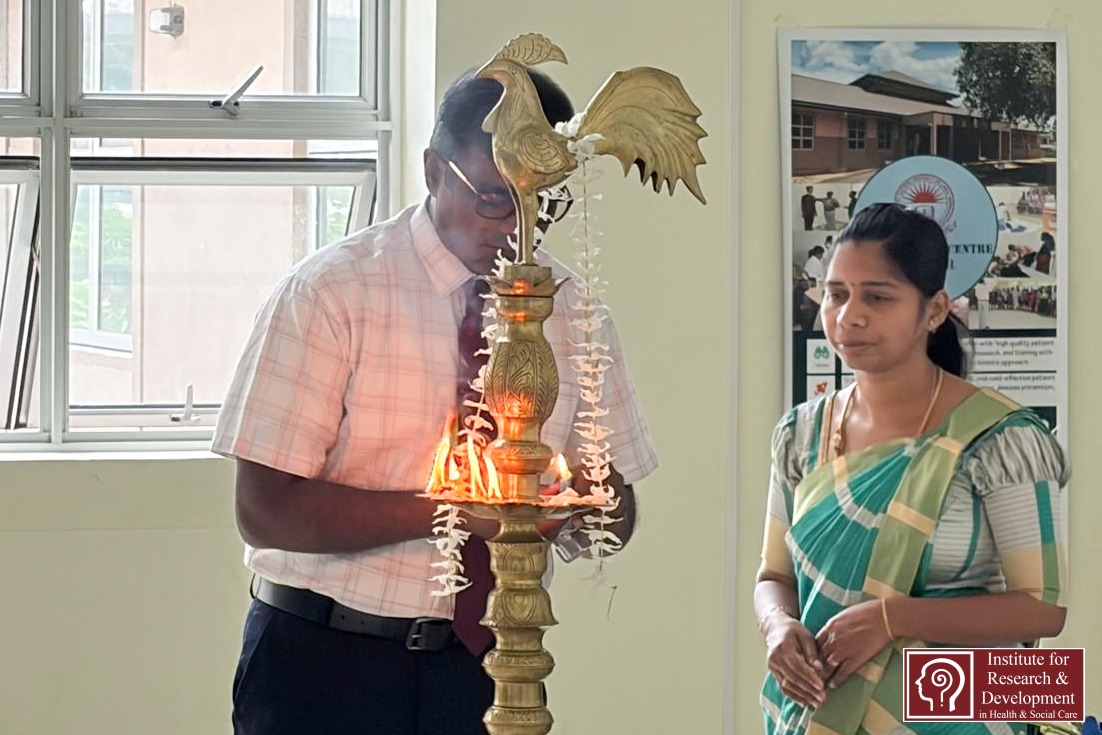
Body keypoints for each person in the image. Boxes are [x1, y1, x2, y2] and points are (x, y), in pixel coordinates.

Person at [213, 67, 658, 735]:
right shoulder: (334, 293)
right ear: (432, 171)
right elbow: (264, 510)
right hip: (326, 656)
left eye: (544, 203)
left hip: (486, 665)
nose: (519, 227)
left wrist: (578, 502)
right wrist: (455, 512)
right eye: (494, 198)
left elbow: (616, 518)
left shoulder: (571, 309)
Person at [755, 203, 1068, 735]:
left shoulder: (1002, 438)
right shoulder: (801, 434)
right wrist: (777, 626)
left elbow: (1044, 610)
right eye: (836, 294)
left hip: (965, 714)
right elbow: (774, 577)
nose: (849, 316)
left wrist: (891, 618)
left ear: (935, 310)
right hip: (818, 712)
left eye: (877, 297)